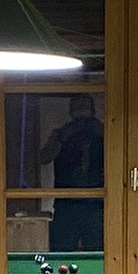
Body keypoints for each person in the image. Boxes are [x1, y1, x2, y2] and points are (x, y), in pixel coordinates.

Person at [39, 94, 104, 252]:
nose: (82, 123)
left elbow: (119, 159)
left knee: (97, 253)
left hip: (95, 203)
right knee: (62, 251)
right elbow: (44, 158)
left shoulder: (103, 133)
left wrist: (101, 132)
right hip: (66, 203)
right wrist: (63, 136)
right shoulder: (62, 134)